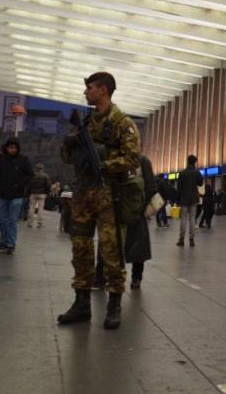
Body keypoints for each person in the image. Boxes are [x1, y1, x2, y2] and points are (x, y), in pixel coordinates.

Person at [58, 71, 140, 330]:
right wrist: (70, 143)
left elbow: (132, 160)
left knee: (111, 249)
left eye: (90, 88)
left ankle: (114, 304)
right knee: (80, 248)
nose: (86, 92)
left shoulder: (122, 122)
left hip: (108, 193)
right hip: (83, 193)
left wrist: (104, 164)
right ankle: (81, 303)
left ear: (103, 90)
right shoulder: (84, 122)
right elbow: (68, 159)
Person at [0, 137, 33, 254]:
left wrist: (20, 185)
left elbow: (29, 174)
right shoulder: (2, 160)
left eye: (14, 147)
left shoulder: (23, 160)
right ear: (6, 148)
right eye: (10, 147)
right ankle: (4, 241)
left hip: (17, 195)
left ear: (18, 148)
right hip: (3, 194)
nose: (12, 150)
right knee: (1, 219)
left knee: (12, 220)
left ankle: (10, 244)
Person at [125, 154, 157, 289]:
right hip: (120, 208)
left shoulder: (142, 161)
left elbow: (151, 186)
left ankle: (136, 277)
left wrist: (143, 205)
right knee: (114, 245)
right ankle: (110, 277)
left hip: (137, 210)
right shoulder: (117, 158)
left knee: (138, 246)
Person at [176, 155, 203, 247]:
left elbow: (179, 187)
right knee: (192, 218)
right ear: (195, 162)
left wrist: (178, 198)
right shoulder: (197, 172)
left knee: (183, 218)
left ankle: (181, 239)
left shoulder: (182, 173)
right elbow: (200, 183)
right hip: (194, 198)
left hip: (183, 198)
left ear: (187, 161)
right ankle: (192, 240)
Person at [27, 164, 51, 228]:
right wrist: (47, 193)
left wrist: (28, 193)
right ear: (42, 168)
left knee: (31, 208)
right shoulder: (45, 176)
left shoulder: (32, 175)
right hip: (42, 193)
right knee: (40, 209)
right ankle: (40, 223)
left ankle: (30, 222)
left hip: (33, 193)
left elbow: (29, 185)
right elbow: (48, 185)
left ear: (36, 168)